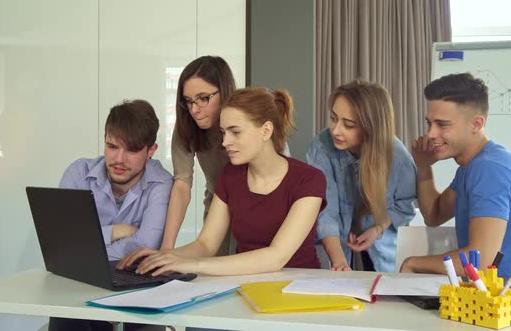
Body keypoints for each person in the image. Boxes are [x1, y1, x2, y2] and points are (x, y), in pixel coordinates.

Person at [117, 87, 326, 277]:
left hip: (300, 288)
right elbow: (206, 244)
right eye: (224, 133)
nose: (225, 143)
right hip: (246, 284)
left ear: (266, 130)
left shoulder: (309, 180)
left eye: (235, 132)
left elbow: (276, 257)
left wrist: (195, 265)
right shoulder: (230, 176)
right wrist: (164, 256)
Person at [400, 73, 511, 278]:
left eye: (442, 124)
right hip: (487, 298)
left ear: (476, 124)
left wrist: (413, 263)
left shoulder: (491, 169)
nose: (431, 134)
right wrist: (423, 167)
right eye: (429, 123)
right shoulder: (472, 167)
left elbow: (481, 260)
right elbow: (434, 215)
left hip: (510, 303)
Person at [52, 99, 172, 330]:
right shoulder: (79, 173)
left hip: (137, 289)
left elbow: (145, 244)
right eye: (112, 146)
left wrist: (83, 248)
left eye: (132, 150)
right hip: (77, 285)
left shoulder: (162, 183)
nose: (119, 159)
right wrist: (116, 232)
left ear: (151, 151)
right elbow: (61, 246)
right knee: (68, 313)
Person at [306, 80, 417, 272]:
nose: (335, 130)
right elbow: (325, 211)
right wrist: (339, 261)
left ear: (371, 128)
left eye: (348, 125)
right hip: (334, 239)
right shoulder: (322, 146)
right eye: (333, 118)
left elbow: (404, 204)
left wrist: (377, 230)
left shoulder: (398, 156)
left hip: (381, 243)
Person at [162, 55, 236, 254]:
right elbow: (181, 184)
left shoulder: (251, 119)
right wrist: (167, 248)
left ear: (225, 91)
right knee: (212, 268)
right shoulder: (187, 124)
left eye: (203, 99)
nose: (194, 110)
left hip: (255, 205)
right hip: (217, 202)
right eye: (188, 101)